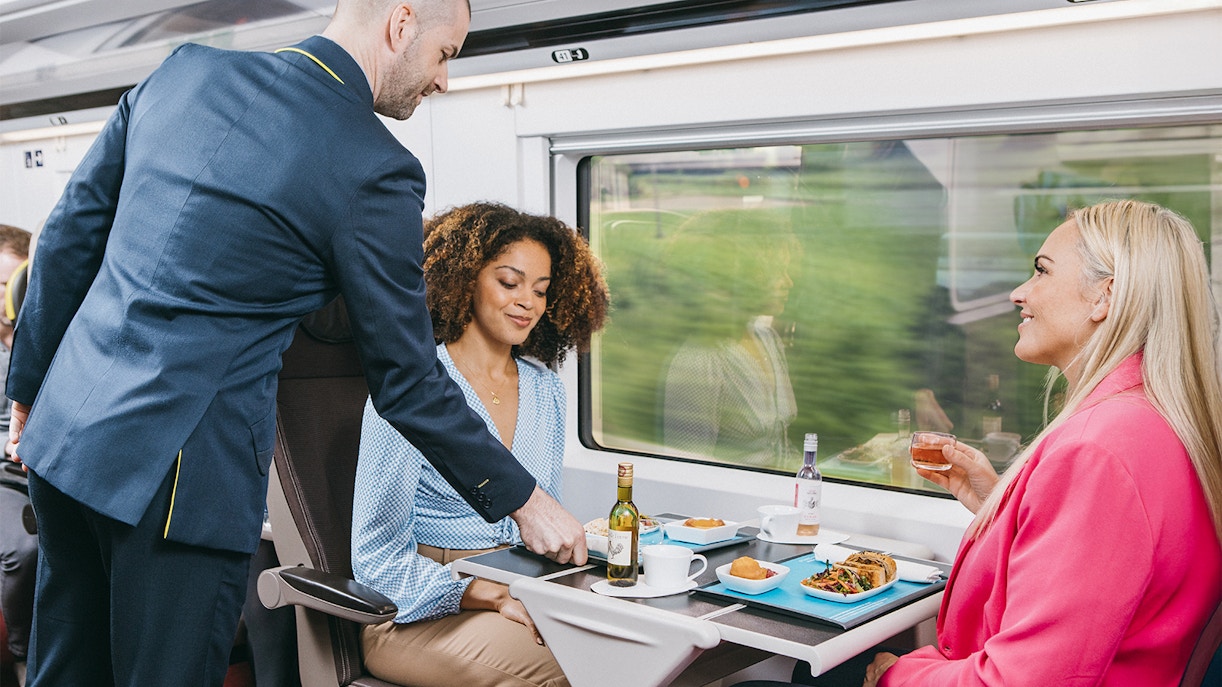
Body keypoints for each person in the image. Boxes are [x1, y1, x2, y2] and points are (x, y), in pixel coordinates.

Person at [4, 2, 587, 685]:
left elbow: (69, 238)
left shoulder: (185, 71)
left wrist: (27, 390)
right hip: (179, 482)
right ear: (401, 23)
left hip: (66, 442)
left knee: (64, 671)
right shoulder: (375, 166)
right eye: (445, 55)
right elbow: (407, 381)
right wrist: (525, 499)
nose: (443, 82)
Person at [737, 199, 1222, 686]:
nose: (1019, 293)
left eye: (1041, 272)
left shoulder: (1097, 450)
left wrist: (894, 677)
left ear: (1105, 297)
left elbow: (1020, 681)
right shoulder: (1152, 420)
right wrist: (1001, 505)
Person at [352, 202, 609, 686]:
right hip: (417, 613)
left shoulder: (545, 389)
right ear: (465, 280)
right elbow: (377, 565)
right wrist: (486, 591)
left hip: (519, 589)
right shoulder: (413, 395)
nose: (527, 302)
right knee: (580, 673)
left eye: (541, 290)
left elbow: (540, 518)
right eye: (509, 283)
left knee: (642, 652)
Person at [661, 209, 799, 469]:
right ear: (742, 276)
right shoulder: (697, 363)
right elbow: (686, 471)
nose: (788, 282)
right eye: (777, 272)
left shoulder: (766, 337)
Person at [0, 224, 32, 686]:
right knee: (26, 550)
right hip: (4, 476)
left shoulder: (43, 338)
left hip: (47, 470)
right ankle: (27, 660)